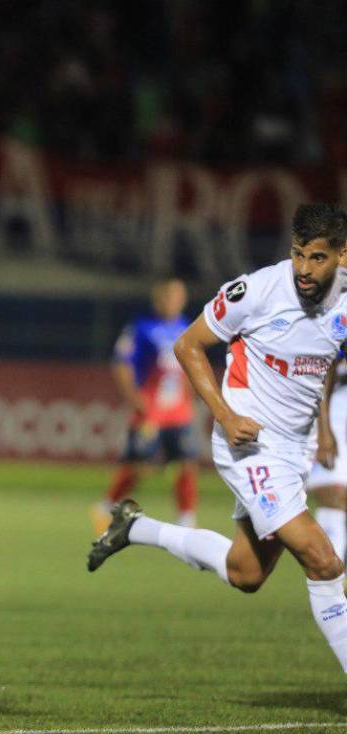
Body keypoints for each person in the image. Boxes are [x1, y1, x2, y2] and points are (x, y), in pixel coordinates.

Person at [89, 204, 347, 675]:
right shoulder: (260, 290)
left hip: (296, 450)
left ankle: (135, 528)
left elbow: (329, 365)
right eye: (297, 255)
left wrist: (324, 428)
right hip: (248, 444)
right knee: (323, 560)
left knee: (245, 573)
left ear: (342, 258)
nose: (304, 269)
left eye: (317, 258)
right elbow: (188, 345)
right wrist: (225, 415)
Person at [92, 278, 198, 533]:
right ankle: (106, 505)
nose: (175, 302)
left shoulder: (187, 328)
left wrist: (190, 398)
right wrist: (134, 398)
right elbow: (121, 363)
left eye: (179, 297)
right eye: (171, 296)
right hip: (150, 411)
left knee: (186, 463)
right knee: (138, 465)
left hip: (178, 412)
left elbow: (190, 368)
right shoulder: (141, 328)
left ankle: (186, 518)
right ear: (160, 299)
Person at [308, 356, 347, 562]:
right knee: (333, 492)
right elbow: (327, 366)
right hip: (336, 411)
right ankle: (332, 577)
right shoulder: (338, 326)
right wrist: (324, 431)